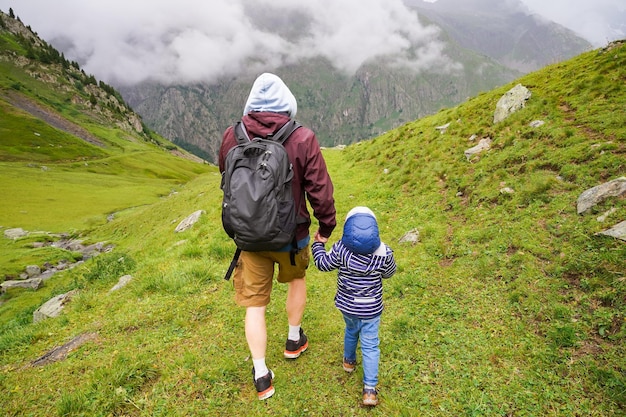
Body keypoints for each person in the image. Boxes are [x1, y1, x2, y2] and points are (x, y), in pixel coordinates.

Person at [218, 72, 336, 400]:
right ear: (288, 104)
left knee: (254, 304)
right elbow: (320, 189)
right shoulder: (302, 138)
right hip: (292, 234)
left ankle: (260, 374)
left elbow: (225, 177)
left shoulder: (232, 136)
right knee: (296, 281)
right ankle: (293, 340)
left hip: (249, 238)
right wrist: (325, 227)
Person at [311, 206, 396, 406]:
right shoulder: (384, 252)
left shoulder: (341, 249)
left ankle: (348, 362)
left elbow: (323, 264)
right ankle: (369, 390)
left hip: (347, 306)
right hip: (372, 309)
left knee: (351, 330)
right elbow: (390, 272)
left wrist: (317, 245)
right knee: (370, 344)